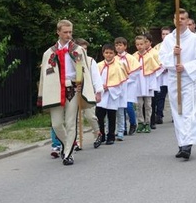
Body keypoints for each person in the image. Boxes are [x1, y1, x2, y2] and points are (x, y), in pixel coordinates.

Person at [37, 19, 98, 166]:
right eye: (65, 32)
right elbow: (44, 76)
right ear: (58, 32)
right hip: (56, 90)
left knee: (71, 123)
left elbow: (84, 70)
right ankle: (67, 144)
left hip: (73, 89)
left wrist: (82, 85)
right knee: (57, 123)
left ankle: (68, 153)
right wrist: (42, 95)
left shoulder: (78, 50)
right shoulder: (49, 53)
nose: (68, 35)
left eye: (70, 32)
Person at [159, 8, 196, 160]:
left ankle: (187, 144)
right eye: (177, 19)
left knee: (188, 111)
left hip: (187, 79)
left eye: (183, 19)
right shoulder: (168, 40)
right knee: (177, 111)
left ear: (187, 21)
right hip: (173, 78)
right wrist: (173, 56)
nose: (180, 21)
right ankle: (181, 143)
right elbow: (162, 59)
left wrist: (184, 66)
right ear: (173, 20)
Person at [95, 44, 128, 147]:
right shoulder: (99, 65)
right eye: (106, 53)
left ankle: (111, 136)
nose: (108, 55)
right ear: (103, 53)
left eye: (111, 53)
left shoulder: (119, 65)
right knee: (99, 116)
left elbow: (121, 82)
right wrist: (100, 87)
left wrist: (109, 87)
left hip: (112, 94)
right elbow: (95, 79)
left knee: (111, 116)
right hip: (101, 94)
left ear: (114, 54)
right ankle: (101, 135)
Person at [74, 38, 104, 148]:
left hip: (88, 91)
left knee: (90, 116)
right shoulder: (74, 61)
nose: (84, 51)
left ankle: (97, 134)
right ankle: (77, 141)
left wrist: (98, 92)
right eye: (82, 49)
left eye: (86, 49)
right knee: (76, 118)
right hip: (76, 92)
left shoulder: (90, 61)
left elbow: (96, 77)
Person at [133, 35, 161, 133]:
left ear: (145, 44)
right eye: (137, 44)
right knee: (139, 105)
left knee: (148, 105)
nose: (139, 46)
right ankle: (140, 122)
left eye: (141, 44)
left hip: (147, 84)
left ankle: (148, 122)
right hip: (138, 85)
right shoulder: (134, 57)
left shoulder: (149, 57)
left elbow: (154, 72)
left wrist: (151, 85)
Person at [114, 37, 141, 136]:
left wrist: (127, 80)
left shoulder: (130, 58)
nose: (118, 47)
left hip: (129, 84)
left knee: (128, 105)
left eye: (120, 45)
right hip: (120, 85)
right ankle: (123, 127)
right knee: (121, 106)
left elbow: (135, 72)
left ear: (125, 46)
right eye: (116, 45)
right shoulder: (114, 59)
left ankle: (133, 123)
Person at [153, 27, 171, 124]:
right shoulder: (157, 47)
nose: (165, 36)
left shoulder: (174, 46)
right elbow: (155, 60)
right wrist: (161, 68)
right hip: (161, 74)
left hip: (171, 74)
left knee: (173, 96)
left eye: (167, 34)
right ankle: (159, 114)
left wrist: (169, 67)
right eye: (163, 34)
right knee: (160, 96)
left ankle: (175, 115)